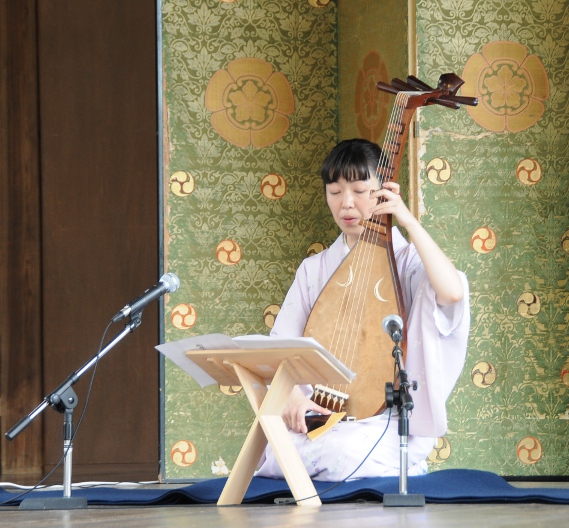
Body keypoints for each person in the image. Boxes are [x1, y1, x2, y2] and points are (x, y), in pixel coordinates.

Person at [255, 138, 470, 481]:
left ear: (383, 193)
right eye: (335, 191)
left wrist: (408, 222)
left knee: (343, 454)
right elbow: (281, 346)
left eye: (359, 190)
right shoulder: (315, 269)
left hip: (389, 421)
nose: (347, 204)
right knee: (280, 455)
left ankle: (399, 461)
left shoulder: (408, 261)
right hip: (325, 415)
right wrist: (294, 399)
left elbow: (452, 294)